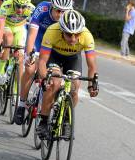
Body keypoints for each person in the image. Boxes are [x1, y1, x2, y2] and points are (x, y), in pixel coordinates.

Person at [36, 10, 99, 138]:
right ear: (62, 30)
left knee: (75, 87)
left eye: (77, 35)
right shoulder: (52, 31)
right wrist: (44, 79)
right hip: (54, 56)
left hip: (73, 58)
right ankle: (43, 121)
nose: (73, 39)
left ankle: (65, 121)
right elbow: (42, 61)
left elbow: (91, 65)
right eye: (69, 35)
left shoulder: (87, 36)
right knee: (54, 83)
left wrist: (92, 85)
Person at [14, 0, 73, 125]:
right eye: (58, 11)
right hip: (38, 41)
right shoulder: (42, 9)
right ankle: (21, 104)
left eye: (64, 12)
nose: (61, 15)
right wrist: (30, 55)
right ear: (51, 6)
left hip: (53, 45)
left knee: (57, 76)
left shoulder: (67, 16)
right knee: (30, 69)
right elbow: (31, 35)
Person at [0, 0, 35, 86]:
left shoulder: (32, 9)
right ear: (13, 2)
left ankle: (16, 90)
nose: (20, 10)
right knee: (8, 39)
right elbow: (0, 27)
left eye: (23, 7)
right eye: (17, 6)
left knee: (20, 57)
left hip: (19, 28)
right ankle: (0, 73)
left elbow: (33, 30)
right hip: (6, 26)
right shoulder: (6, 5)